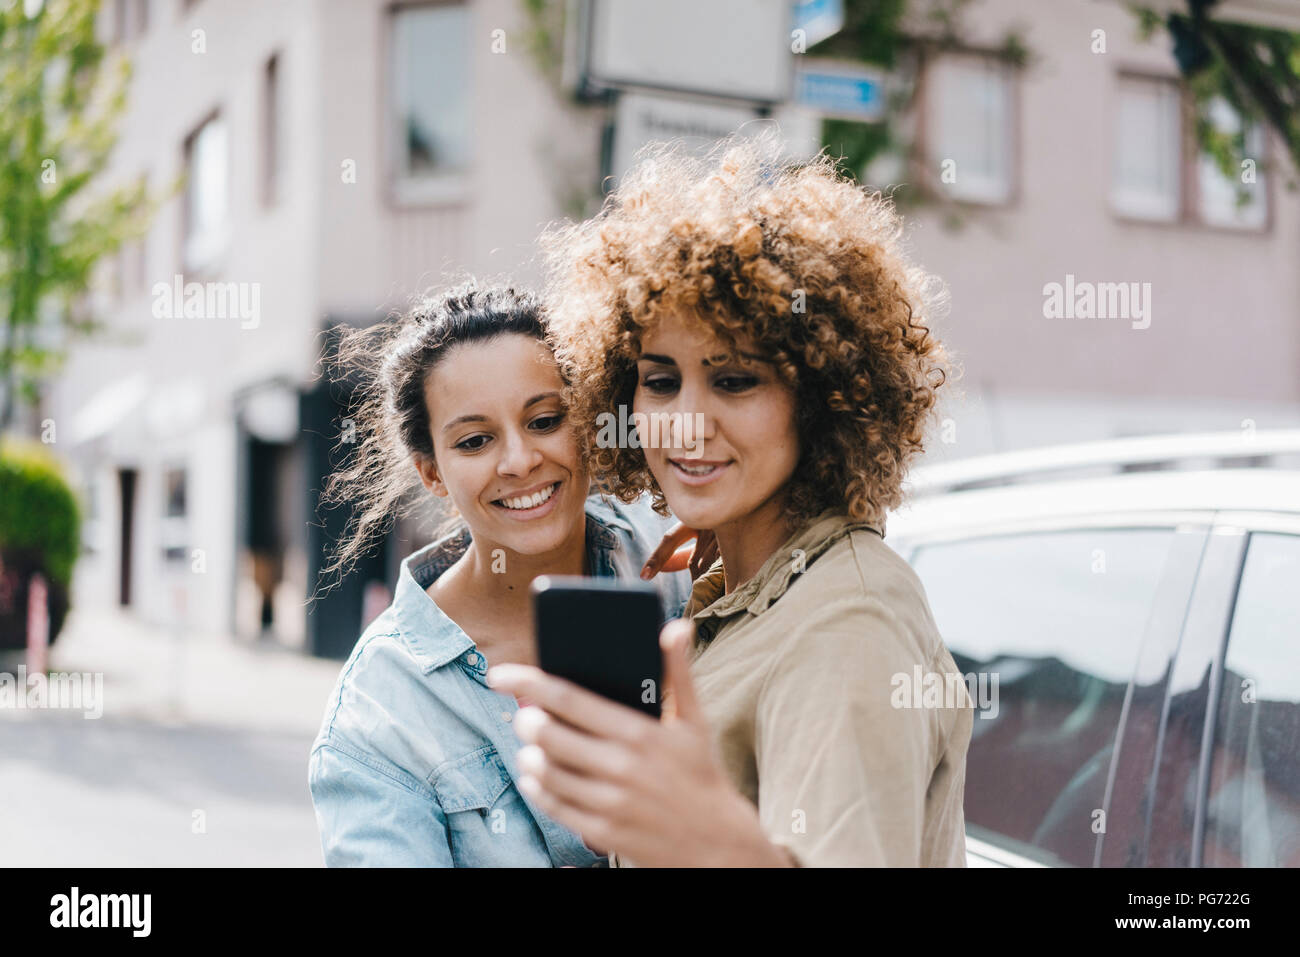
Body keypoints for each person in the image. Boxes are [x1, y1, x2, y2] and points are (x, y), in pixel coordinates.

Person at [488, 135, 974, 867]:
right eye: (659, 381)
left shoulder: (846, 623)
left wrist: (715, 845)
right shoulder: (737, 587)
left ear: (818, 400)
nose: (685, 419)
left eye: (736, 380)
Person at [306, 281, 692, 866]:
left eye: (544, 420)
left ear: (588, 422)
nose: (518, 461)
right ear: (433, 473)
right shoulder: (379, 715)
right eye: (476, 440)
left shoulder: (681, 566)